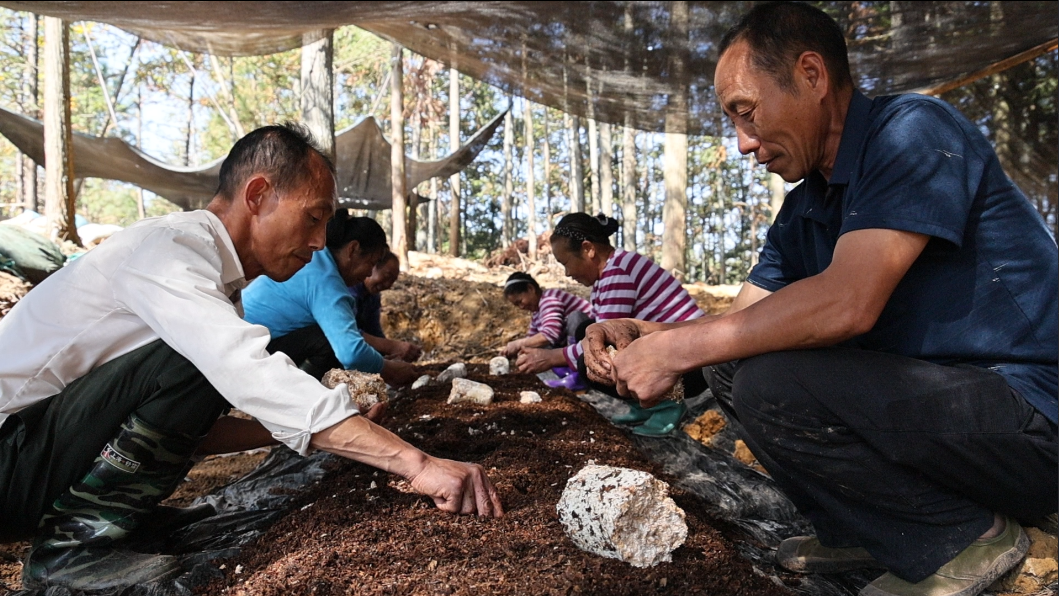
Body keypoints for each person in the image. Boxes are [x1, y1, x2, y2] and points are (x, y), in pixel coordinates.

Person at [583, 4, 1057, 596]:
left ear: (811, 74)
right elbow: (739, 324)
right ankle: (862, 527)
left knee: (770, 384)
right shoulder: (807, 207)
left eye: (745, 113)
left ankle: (959, 534)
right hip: (940, 422)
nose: (741, 144)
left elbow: (846, 303)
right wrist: (642, 333)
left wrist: (676, 351)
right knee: (734, 365)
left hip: (1031, 423)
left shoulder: (913, 130)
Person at [0, 124, 502, 592]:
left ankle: (117, 521)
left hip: (34, 459)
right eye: (313, 217)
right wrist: (415, 463)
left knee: (204, 359)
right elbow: (245, 371)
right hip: (8, 460)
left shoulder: (218, 283)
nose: (318, 242)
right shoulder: (169, 252)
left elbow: (180, 432)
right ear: (258, 195)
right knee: (202, 356)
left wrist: (301, 438)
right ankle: (73, 548)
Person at [518, 212, 706, 435]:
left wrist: (552, 357)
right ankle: (642, 405)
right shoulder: (610, 272)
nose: (568, 273)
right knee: (583, 331)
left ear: (588, 249)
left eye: (566, 263)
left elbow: (604, 339)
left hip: (692, 362)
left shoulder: (617, 272)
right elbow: (597, 328)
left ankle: (666, 404)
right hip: (679, 349)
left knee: (587, 362)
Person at [241, 214, 419, 387]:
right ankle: (295, 405)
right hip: (247, 353)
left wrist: (378, 360)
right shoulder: (327, 282)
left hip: (241, 337)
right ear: (353, 249)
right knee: (328, 344)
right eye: (370, 263)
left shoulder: (317, 257)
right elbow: (351, 353)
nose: (368, 273)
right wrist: (389, 370)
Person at [500, 272, 590, 381]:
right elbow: (532, 341)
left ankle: (577, 374)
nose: (521, 307)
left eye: (520, 301)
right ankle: (565, 374)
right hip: (569, 347)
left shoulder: (549, 298)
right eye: (517, 305)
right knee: (535, 350)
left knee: (575, 317)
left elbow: (551, 334)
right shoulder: (536, 313)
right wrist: (517, 352)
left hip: (587, 340)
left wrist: (518, 344)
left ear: (530, 289)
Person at [349, 251, 422, 362]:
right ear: (371, 267)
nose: (388, 285)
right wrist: (391, 346)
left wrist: (392, 354)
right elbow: (347, 334)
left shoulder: (373, 297)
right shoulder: (349, 288)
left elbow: (374, 331)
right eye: (387, 277)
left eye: (392, 281)